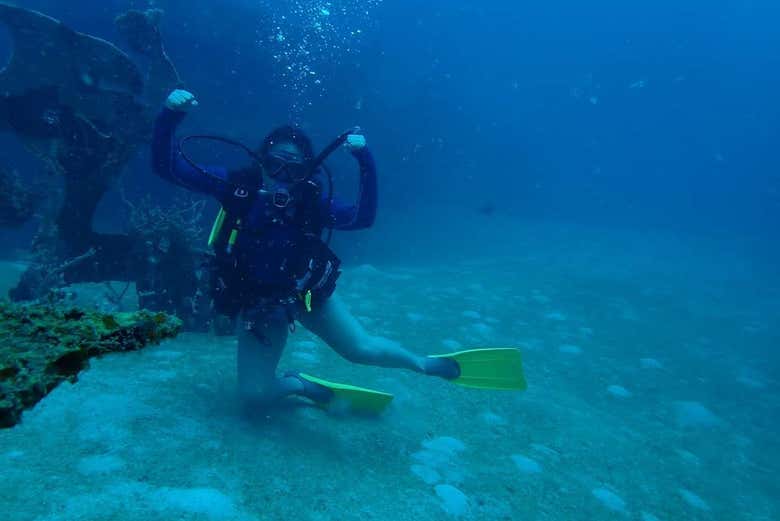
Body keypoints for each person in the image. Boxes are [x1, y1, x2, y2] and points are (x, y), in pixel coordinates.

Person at [150, 89, 474, 412]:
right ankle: (301, 385)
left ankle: (424, 364)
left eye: (293, 170)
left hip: (305, 293)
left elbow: (362, 217)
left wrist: (365, 160)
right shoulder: (238, 188)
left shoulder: (312, 202)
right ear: (261, 162)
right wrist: (169, 115)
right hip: (259, 306)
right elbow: (167, 167)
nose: (283, 177)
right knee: (254, 396)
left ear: (306, 171)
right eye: (275, 165)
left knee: (361, 349)